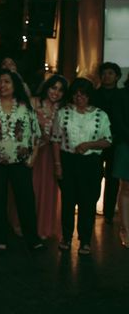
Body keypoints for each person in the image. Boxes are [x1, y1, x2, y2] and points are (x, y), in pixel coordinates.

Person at [0, 69, 44, 251]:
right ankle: (0, 238)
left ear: (15, 86)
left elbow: (36, 135)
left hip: (21, 161)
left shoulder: (25, 107)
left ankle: (32, 238)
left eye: (7, 82)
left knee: (26, 200)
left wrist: (33, 157)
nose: (2, 85)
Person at [52, 78, 112, 255]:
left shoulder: (100, 115)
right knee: (68, 202)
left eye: (83, 94)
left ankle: (85, 240)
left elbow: (108, 141)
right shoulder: (63, 113)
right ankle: (66, 237)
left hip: (90, 164)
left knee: (87, 203)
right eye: (76, 94)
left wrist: (89, 145)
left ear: (89, 95)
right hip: (68, 161)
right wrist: (57, 165)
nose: (79, 98)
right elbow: (56, 140)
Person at [31, 74, 68, 239]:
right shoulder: (34, 102)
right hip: (32, 152)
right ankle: (25, 225)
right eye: (54, 88)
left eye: (60, 90)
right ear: (47, 87)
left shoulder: (63, 109)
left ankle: (43, 226)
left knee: (48, 190)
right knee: (31, 188)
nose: (56, 92)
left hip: (52, 156)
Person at [92, 61, 122, 224]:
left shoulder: (122, 95)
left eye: (110, 73)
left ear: (117, 76)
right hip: (96, 140)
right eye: (104, 73)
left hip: (116, 141)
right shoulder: (94, 94)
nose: (106, 76)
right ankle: (91, 206)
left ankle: (109, 213)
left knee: (113, 178)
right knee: (94, 175)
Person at [113, 73, 129, 247]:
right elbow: (117, 121)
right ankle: (125, 229)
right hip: (126, 143)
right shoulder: (122, 94)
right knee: (126, 187)